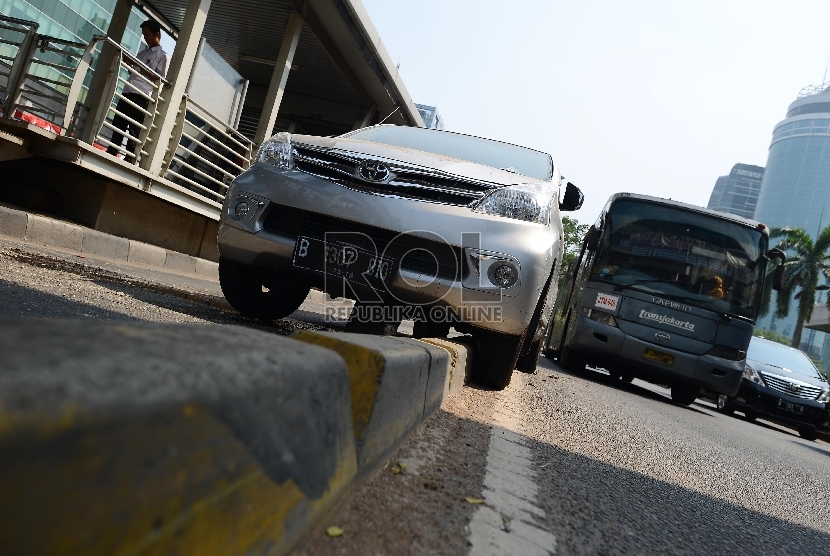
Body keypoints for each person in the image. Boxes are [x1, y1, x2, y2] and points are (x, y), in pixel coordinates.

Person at [107, 19, 169, 162]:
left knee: (135, 129)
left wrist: (139, 67)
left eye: (147, 35)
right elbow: (134, 72)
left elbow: (159, 78)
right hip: (129, 90)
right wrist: (131, 64)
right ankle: (112, 150)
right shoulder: (142, 53)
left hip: (142, 94)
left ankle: (130, 158)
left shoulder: (163, 56)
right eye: (144, 35)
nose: (145, 38)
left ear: (156, 34)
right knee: (118, 123)